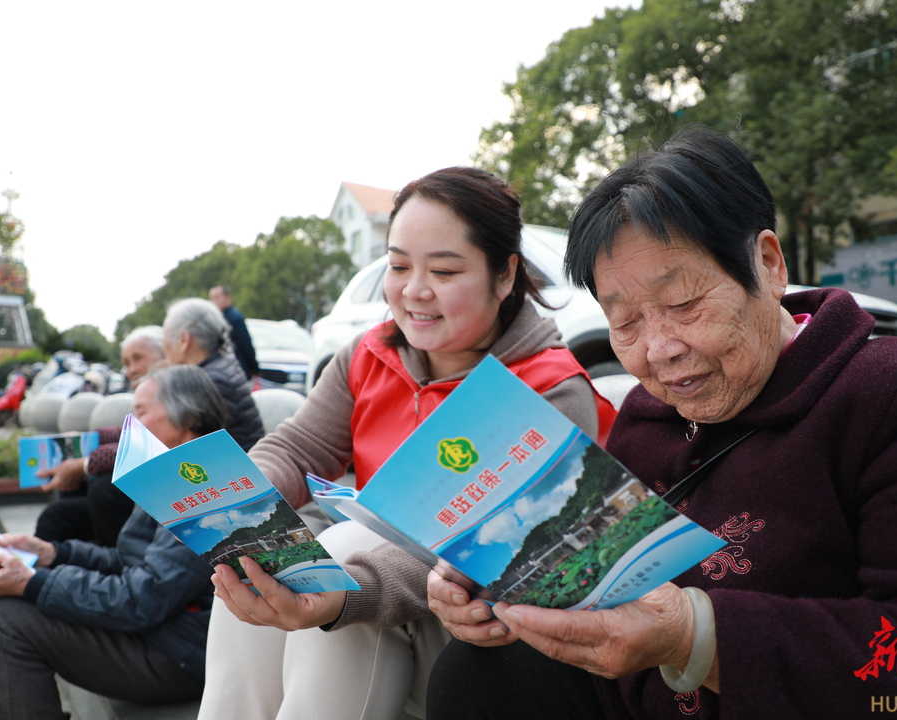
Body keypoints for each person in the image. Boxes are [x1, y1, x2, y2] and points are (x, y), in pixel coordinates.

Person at [420, 126, 897, 719]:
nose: (658, 350)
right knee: (476, 674)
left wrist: (698, 637)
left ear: (767, 264)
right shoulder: (646, 416)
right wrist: (501, 586)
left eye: (684, 304)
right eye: (625, 321)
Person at [199, 166, 615, 720]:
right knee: (252, 564)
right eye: (397, 266)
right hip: (362, 599)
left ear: (505, 274)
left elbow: (482, 555)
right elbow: (296, 449)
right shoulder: (368, 355)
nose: (414, 290)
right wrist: (244, 501)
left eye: (443, 270)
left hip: (472, 638)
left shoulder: (547, 390)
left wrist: (351, 589)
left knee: (344, 549)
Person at [0, 364, 227, 719]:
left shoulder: (204, 485)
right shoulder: (175, 469)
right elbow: (129, 561)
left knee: (4, 623)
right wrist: (53, 554)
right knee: (6, 612)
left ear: (187, 417)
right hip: (167, 632)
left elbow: (143, 598)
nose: (130, 428)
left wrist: (34, 582)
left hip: (179, 652)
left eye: (141, 413)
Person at [33, 325, 167, 546]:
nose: (131, 369)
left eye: (138, 359)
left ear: (167, 355)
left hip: (160, 491)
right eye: (126, 363)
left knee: (91, 495)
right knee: (68, 504)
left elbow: (150, 443)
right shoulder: (153, 392)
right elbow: (128, 434)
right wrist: (88, 439)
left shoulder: (174, 392)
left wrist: (85, 463)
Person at [163, 296, 266, 452]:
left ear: (184, 340)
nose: (162, 346)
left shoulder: (206, 383)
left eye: (164, 337)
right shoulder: (222, 367)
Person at [210, 284, 259, 381]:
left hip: (236, 370)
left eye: (217, 297)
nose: (213, 302)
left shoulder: (234, 318)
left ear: (227, 298)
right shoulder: (215, 318)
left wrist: (254, 369)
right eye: (211, 298)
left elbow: (246, 344)